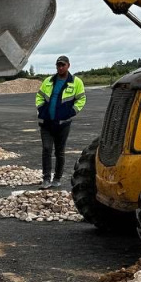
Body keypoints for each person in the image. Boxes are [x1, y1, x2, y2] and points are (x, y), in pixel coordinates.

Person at [35, 55, 86, 188]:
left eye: (63, 65)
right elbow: (39, 96)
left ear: (68, 65)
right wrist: (41, 109)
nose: (60, 67)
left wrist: (71, 112)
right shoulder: (48, 81)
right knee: (46, 149)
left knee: (59, 152)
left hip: (63, 124)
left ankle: (57, 178)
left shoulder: (76, 82)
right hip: (46, 123)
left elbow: (81, 99)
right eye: (58, 65)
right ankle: (46, 179)